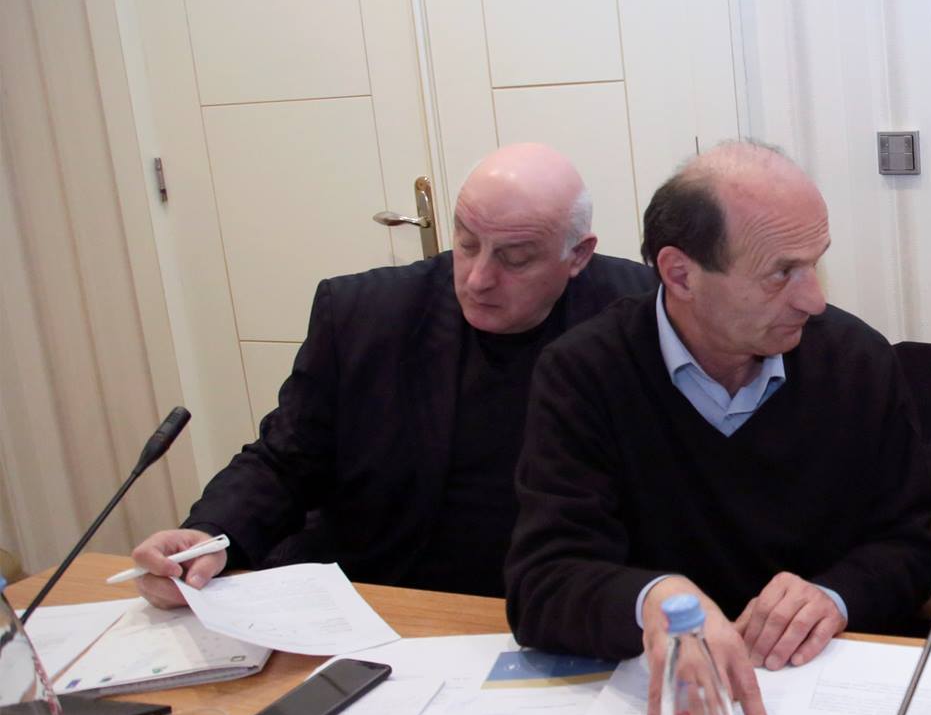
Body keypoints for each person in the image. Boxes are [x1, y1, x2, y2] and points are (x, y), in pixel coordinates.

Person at [504, 140, 931, 715]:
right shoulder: (585, 372)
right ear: (680, 274)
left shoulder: (855, 361)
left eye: (815, 263)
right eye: (781, 273)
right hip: (654, 712)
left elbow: (913, 545)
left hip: (821, 701)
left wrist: (835, 595)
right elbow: (543, 583)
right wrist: (653, 599)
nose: (813, 298)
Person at [130, 144, 652, 605]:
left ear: (577, 255)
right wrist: (209, 535)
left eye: (514, 259)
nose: (477, 279)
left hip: (573, 607)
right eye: (467, 243)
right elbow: (286, 460)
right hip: (390, 597)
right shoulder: (366, 315)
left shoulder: (642, 319)